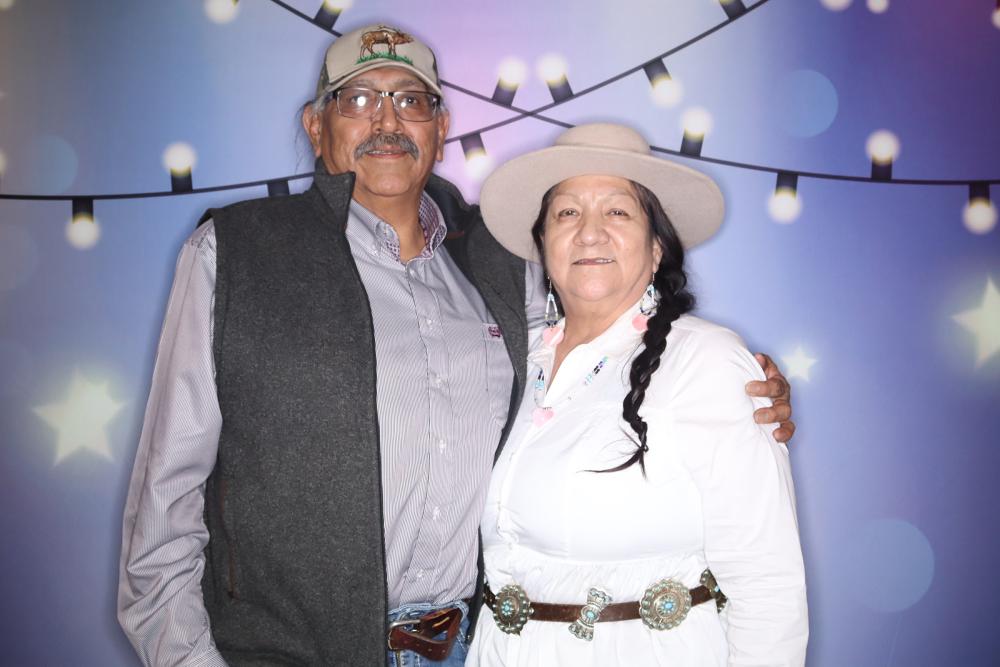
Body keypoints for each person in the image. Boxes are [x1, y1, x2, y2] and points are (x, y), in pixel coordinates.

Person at [116, 25, 797, 667]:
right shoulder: (236, 254)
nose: (387, 122)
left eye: (411, 101)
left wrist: (739, 390)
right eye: (358, 99)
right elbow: (165, 500)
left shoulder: (502, 267)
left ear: (441, 130)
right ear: (317, 126)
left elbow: (604, 354)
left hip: (474, 647)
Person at [467, 123, 808, 666]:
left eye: (618, 212)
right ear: (543, 245)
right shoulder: (510, 358)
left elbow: (766, 582)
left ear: (655, 249)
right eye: (567, 213)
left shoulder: (705, 361)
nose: (590, 233)